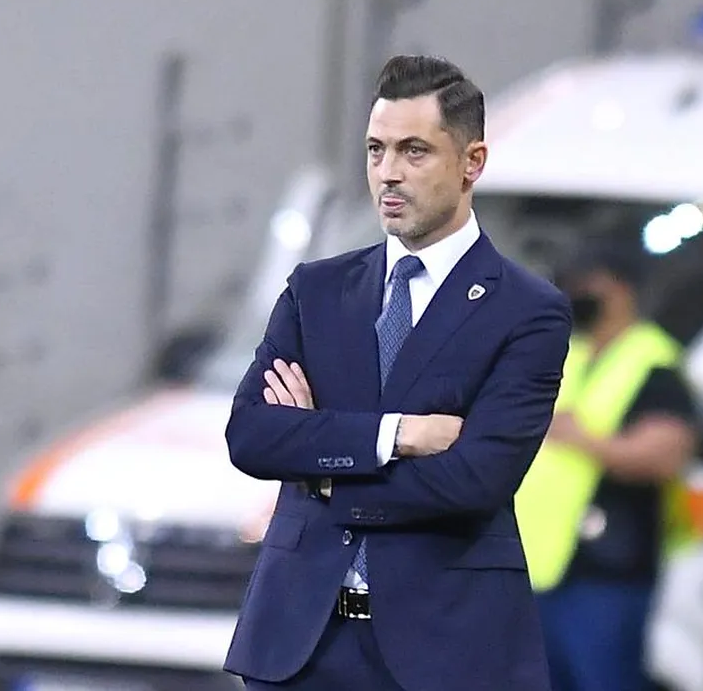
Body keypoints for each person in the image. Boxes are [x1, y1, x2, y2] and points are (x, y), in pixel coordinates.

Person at [222, 54, 572, 691]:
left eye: (414, 151)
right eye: (375, 150)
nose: (388, 172)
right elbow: (251, 435)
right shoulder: (316, 291)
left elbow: (474, 479)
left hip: (444, 655)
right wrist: (395, 435)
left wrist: (322, 467)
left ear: (472, 162)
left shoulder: (527, 311)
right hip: (300, 649)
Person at [513, 240, 700, 691]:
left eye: (586, 284)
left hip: (607, 572)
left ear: (621, 290)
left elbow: (666, 454)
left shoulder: (655, 363)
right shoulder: (567, 354)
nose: (575, 293)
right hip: (540, 568)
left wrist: (585, 440)